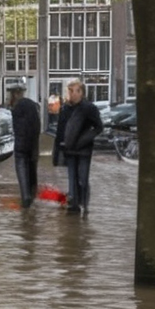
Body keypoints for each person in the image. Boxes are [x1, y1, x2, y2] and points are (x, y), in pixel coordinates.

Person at [53, 78, 104, 214]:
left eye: (76, 91)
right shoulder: (65, 108)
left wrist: (84, 139)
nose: (72, 94)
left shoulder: (89, 108)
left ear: (82, 93)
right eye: (70, 91)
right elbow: (60, 130)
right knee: (72, 178)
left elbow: (99, 127)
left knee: (82, 178)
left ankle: (84, 205)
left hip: (83, 150)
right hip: (69, 149)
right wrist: (58, 150)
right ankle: (73, 205)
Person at [7, 83, 41, 208]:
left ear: (15, 94)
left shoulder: (16, 108)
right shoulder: (31, 105)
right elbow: (37, 126)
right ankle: (32, 195)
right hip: (32, 143)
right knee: (32, 169)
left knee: (21, 168)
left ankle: (25, 196)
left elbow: (16, 129)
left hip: (20, 143)